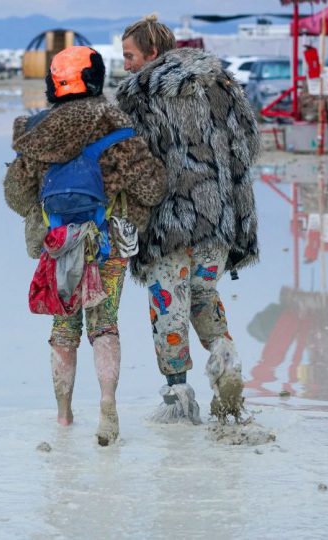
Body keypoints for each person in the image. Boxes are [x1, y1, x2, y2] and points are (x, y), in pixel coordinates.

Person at [4, 46, 167, 445]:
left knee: (63, 328)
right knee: (105, 323)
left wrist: (49, 218)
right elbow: (152, 186)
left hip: (57, 243)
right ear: (94, 79)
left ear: (53, 83)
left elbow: (15, 195)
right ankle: (108, 405)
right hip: (108, 242)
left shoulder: (36, 130)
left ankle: (63, 417)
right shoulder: (115, 124)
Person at [116, 15, 261, 423]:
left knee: (168, 308)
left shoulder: (140, 95)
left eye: (129, 56)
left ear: (152, 53)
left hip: (169, 223)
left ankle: (179, 397)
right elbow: (248, 145)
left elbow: (133, 167)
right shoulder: (223, 84)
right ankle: (226, 362)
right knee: (203, 296)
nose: (125, 65)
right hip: (219, 220)